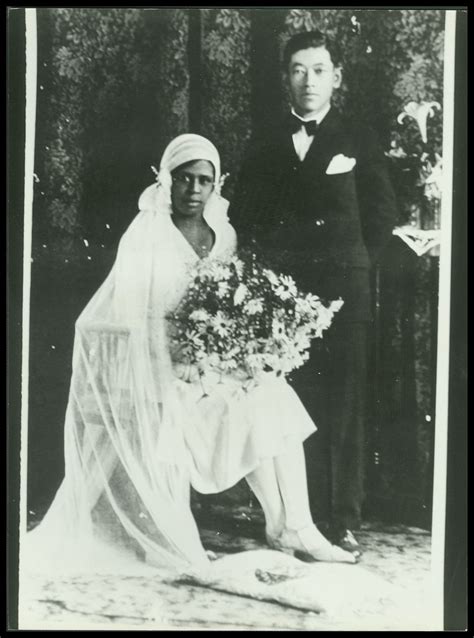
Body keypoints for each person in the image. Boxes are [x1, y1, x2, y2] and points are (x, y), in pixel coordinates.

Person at [23, 134, 356, 579]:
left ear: (217, 185)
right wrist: (184, 364)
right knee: (244, 405)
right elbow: (133, 315)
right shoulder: (145, 235)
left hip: (210, 366)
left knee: (273, 394)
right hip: (158, 371)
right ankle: (276, 525)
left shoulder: (225, 234)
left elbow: (225, 305)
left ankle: (293, 525)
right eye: (184, 179)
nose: (195, 190)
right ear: (166, 181)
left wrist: (233, 352)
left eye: (205, 180)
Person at [229, 31, 398, 556]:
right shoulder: (266, 139)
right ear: (285, 78)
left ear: (336, 77)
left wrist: (345, 266)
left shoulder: (358, 138)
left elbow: (382, 216)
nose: (308, 81)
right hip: (282, 299)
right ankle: (289, 518)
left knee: (343, 407)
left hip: (343, 296)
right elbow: (245, 216)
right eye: (299, 70)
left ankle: (340, 519)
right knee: (286, 404)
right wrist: (280, 275)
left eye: (319, 70)